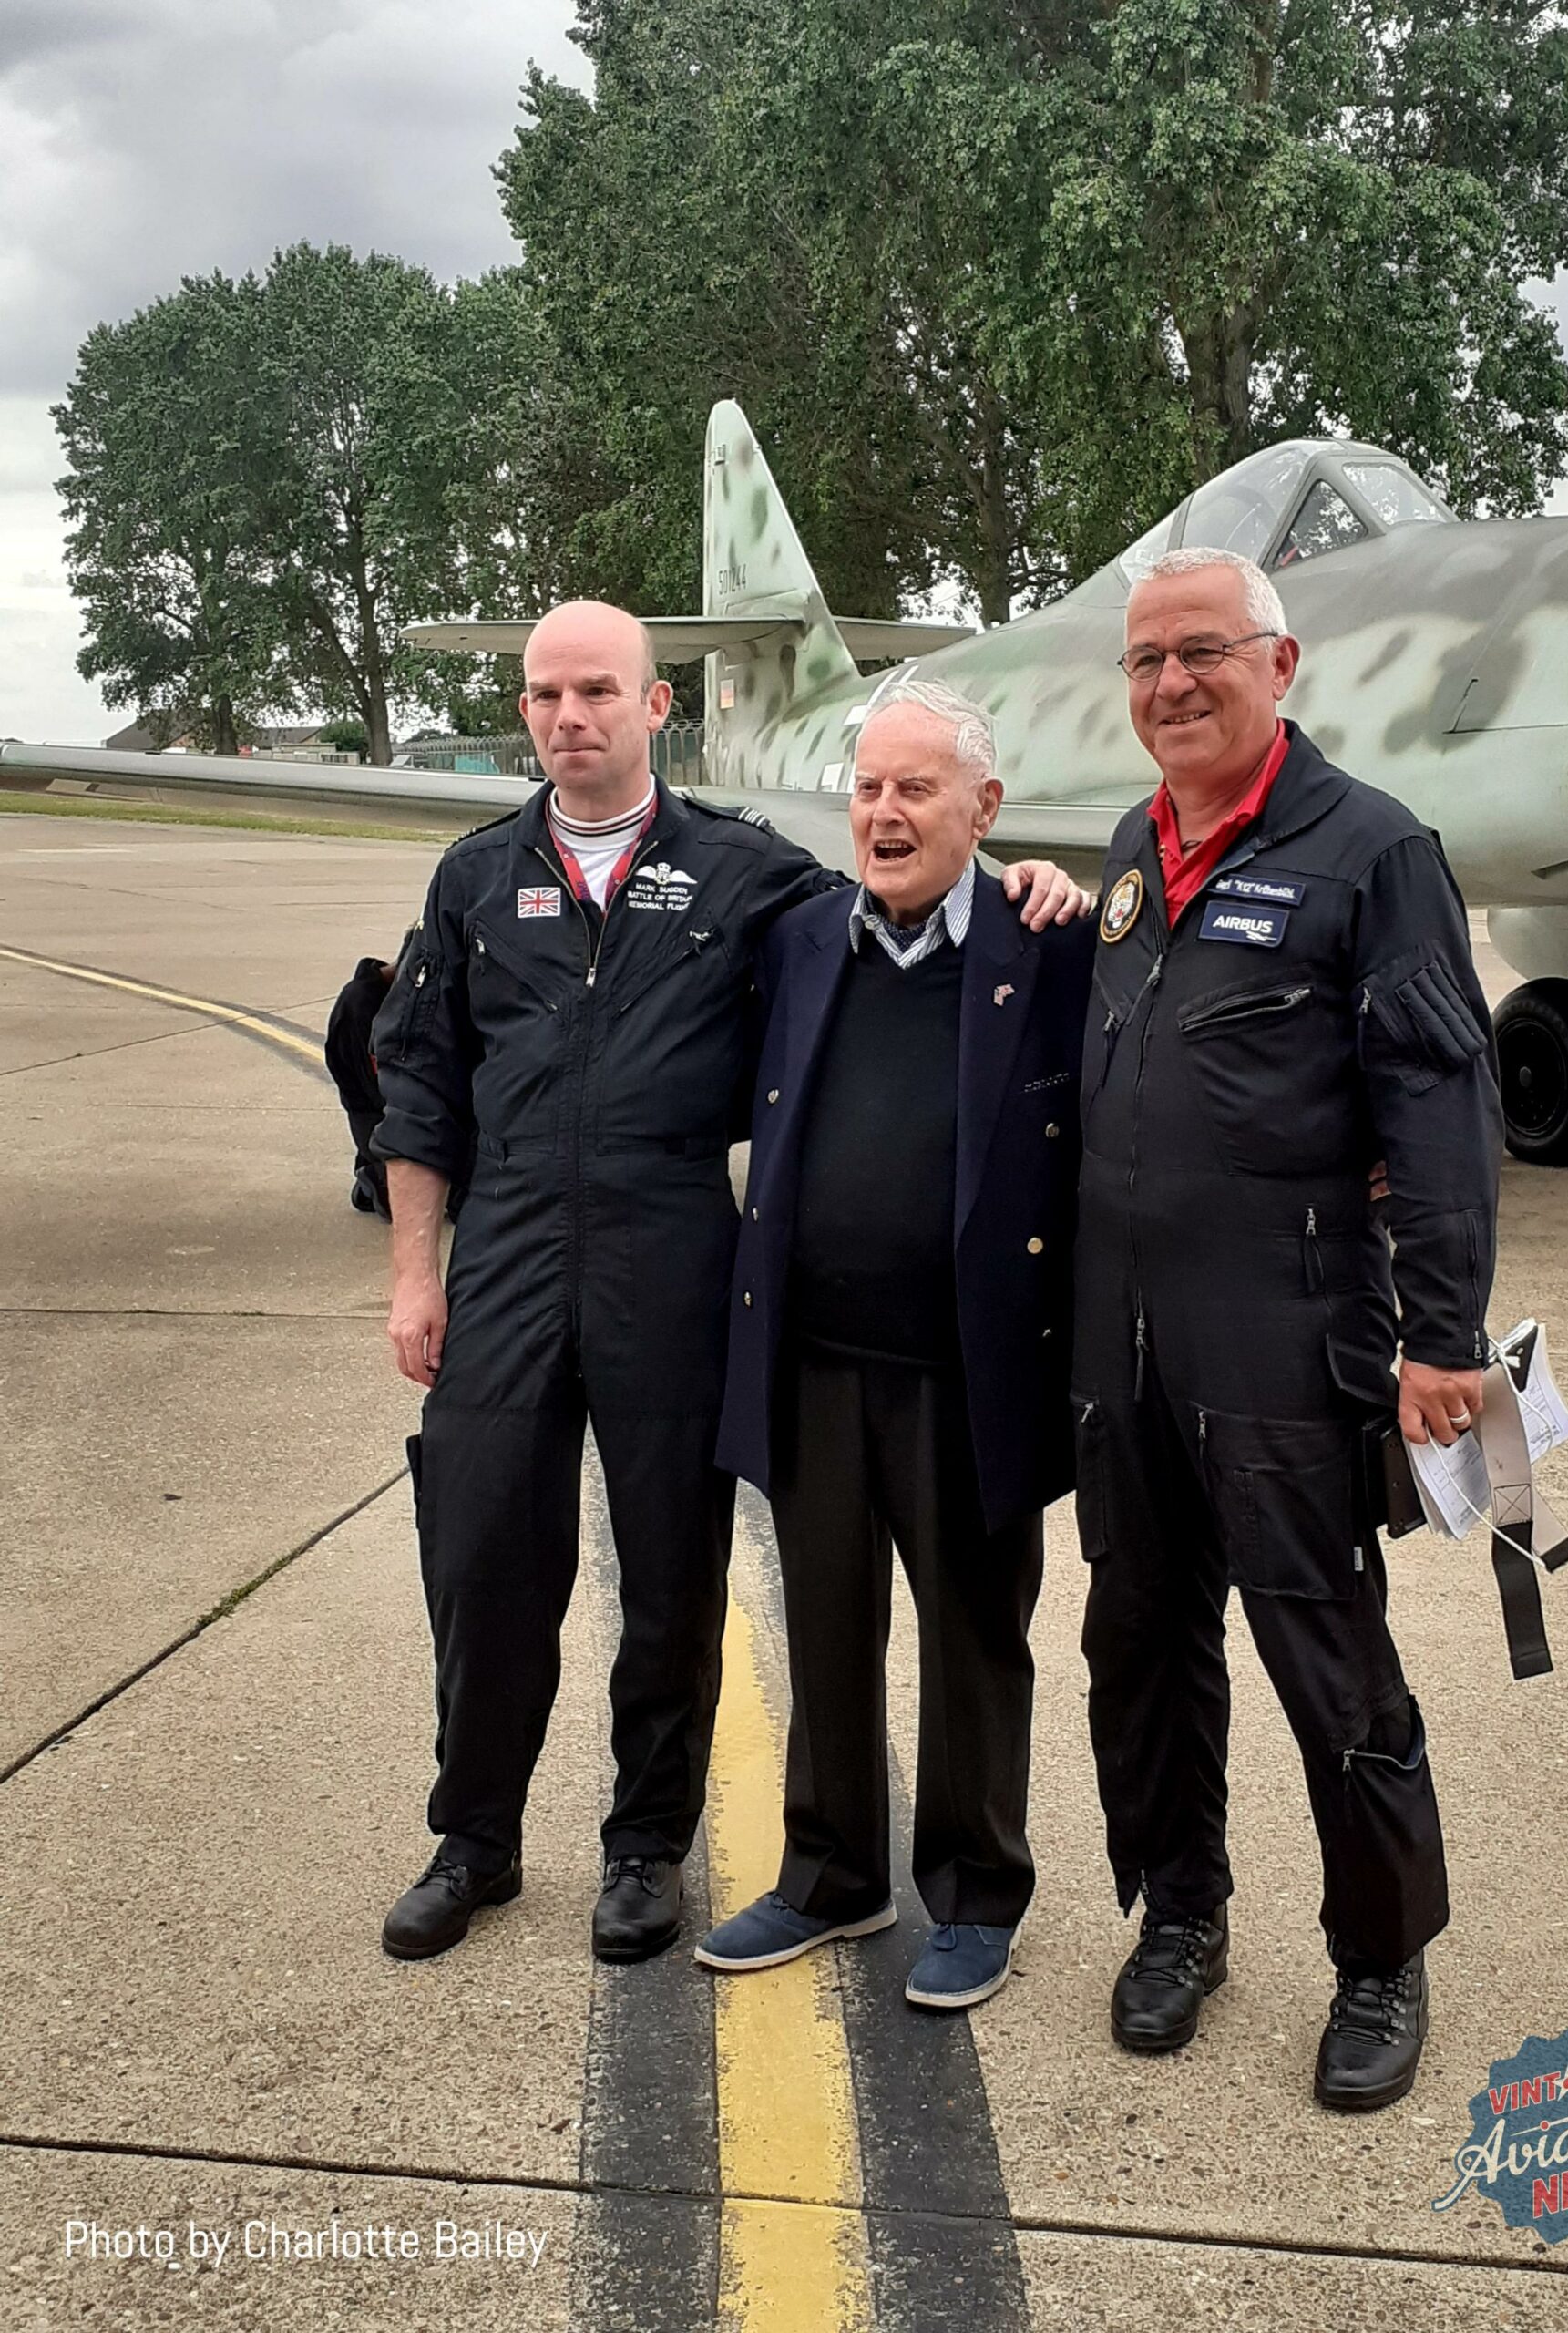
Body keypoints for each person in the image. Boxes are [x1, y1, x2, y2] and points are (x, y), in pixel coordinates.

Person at [369, 601, 1082, 1965]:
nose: (567, 717)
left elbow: (911, 910)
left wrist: (1025, 884)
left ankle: (645, 1847)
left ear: (656, 710)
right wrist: (418, 1275)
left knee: (670, 1573)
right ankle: (475, 1836)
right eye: (544, 694)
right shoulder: (471, 879)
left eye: (597, 691)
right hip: (510, 1248)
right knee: (480, 1557)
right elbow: (419, 1091)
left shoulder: (753, 878)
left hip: (672, 1254)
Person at [1075, 547, 1501, 2110]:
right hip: (1123, 1348)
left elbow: (1440, 1106)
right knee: (1141, 1649)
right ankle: (1180, 1917)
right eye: (1145, 664)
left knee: (1325, 1656)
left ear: (1281, 663)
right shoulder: (1133, 850)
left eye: (1204, 654)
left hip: (1286, 1335)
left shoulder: (1372, 851)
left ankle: (1382, 1960)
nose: (1172, 685)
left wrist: (1443, 1336)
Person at [702, 681, 1093, 2009]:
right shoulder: (806, 939)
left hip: (969, 1373)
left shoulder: (1053, 948)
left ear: (983, 810)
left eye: (915, 789)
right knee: (823, 1627)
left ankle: (977, 1894)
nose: (882, 811)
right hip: (815, 1361)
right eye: (868, 787)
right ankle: (830, 1877)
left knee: (978, 1641)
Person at [324, 943, 405, 1219]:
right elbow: (372, 1085)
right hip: (374, 1110)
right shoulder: (360, 1006)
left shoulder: (390, 998)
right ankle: (377, 1172)